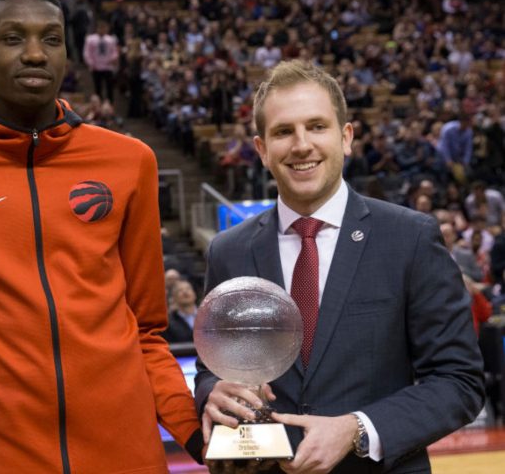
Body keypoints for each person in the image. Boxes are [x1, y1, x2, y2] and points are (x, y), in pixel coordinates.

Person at [0, 0, 203, 473]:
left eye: (52, 39)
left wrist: (193, 430)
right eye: (14, 38)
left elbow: (147, 330)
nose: (35, 54)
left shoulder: (131, 161)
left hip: (123, 448)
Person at [195, 60, 484, 473]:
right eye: (283, 132)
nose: (301, 145)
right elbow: (211, 366)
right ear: (261, 150)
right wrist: (211, 392)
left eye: (316, 126)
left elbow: (459, 381)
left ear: (345, 137)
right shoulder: (228, 251)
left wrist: (357, 429)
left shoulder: (410, 238)